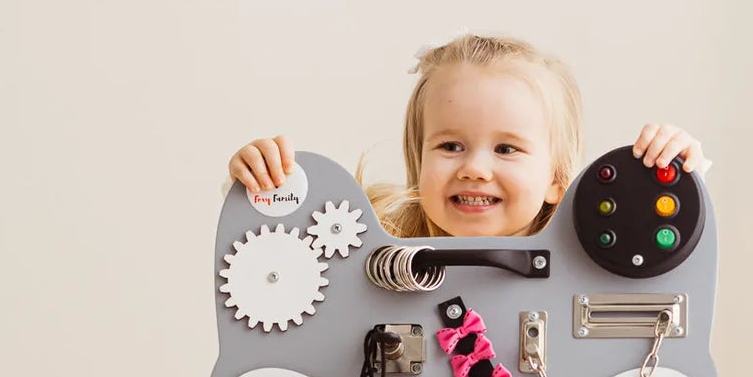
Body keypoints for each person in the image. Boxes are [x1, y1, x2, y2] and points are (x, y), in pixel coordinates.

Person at [226, 33, 709, 240]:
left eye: (506, 148)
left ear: (556, 179)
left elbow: (655, 247)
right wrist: (264, 182)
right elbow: (285, 251)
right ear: (418, 159)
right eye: (450, 146)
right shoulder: (372, 230)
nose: (475, 168)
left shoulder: (585, 246)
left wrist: (675, 173)